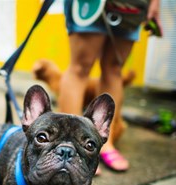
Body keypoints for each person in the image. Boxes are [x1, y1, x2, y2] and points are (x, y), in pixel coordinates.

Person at [59, 0, 162, 172]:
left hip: (132, 5)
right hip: (91, 4)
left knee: (114, 69)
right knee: (80, 67)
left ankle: (105, 144)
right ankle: (69, 144)